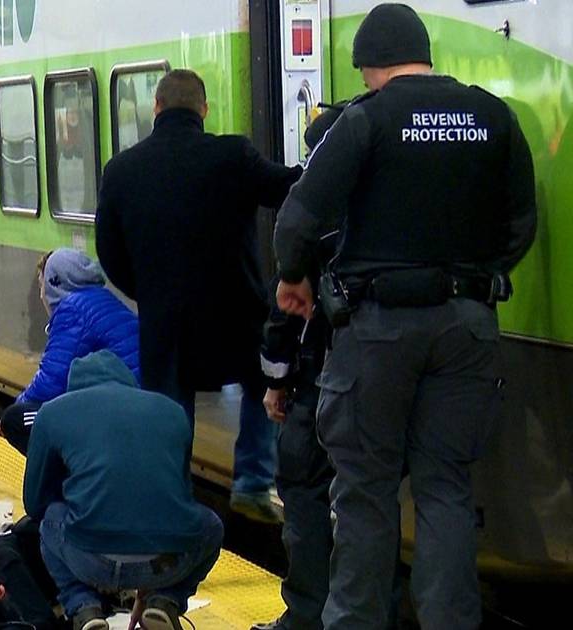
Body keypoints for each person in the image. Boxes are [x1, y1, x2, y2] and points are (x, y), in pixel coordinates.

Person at [272, 5, 537, 629]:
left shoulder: (366, 120)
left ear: (370, 65)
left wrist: (294, 278)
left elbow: (299, 216)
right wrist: (472, 280)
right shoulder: (493, 116)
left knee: (364, 495)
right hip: (468, 326)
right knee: (446, 489)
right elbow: (521, 223)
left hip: (379, 330)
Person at [95, 68, 301, 522]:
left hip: (165, 319)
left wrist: (148, 290)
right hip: (236, 312)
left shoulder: (122, 169)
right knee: (262, 380)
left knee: (170, 408)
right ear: (204, 110)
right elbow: (286, 187)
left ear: (157, 108)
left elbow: (108, 251)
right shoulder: (232, 155)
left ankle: (171, 497)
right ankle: (252, 479)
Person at [24, 351, 223, 630]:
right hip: (165, 563)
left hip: (90, 559)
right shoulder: (172, 411)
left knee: (51, 518)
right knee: (211, 526)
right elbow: (180, 496)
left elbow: (34, 503)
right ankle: (165, 601)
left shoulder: (53, 412)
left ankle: (83, 608)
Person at [251, 104, 346, 630]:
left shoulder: (309, 213)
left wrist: (276, 383)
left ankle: (308, 614)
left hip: (318, 381)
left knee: (305, 494)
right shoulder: (385, 207)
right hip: (385, 378)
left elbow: (283, 311)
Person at [0, 248, 139, 454]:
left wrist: (14, 408)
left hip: (118, 414)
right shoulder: (101, 299)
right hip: (136, 402)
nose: (41, 295)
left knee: (16, 419)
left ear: (55, 283)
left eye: (42, 284)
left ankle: (69, 480)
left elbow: (52, 380)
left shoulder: (73, 310)